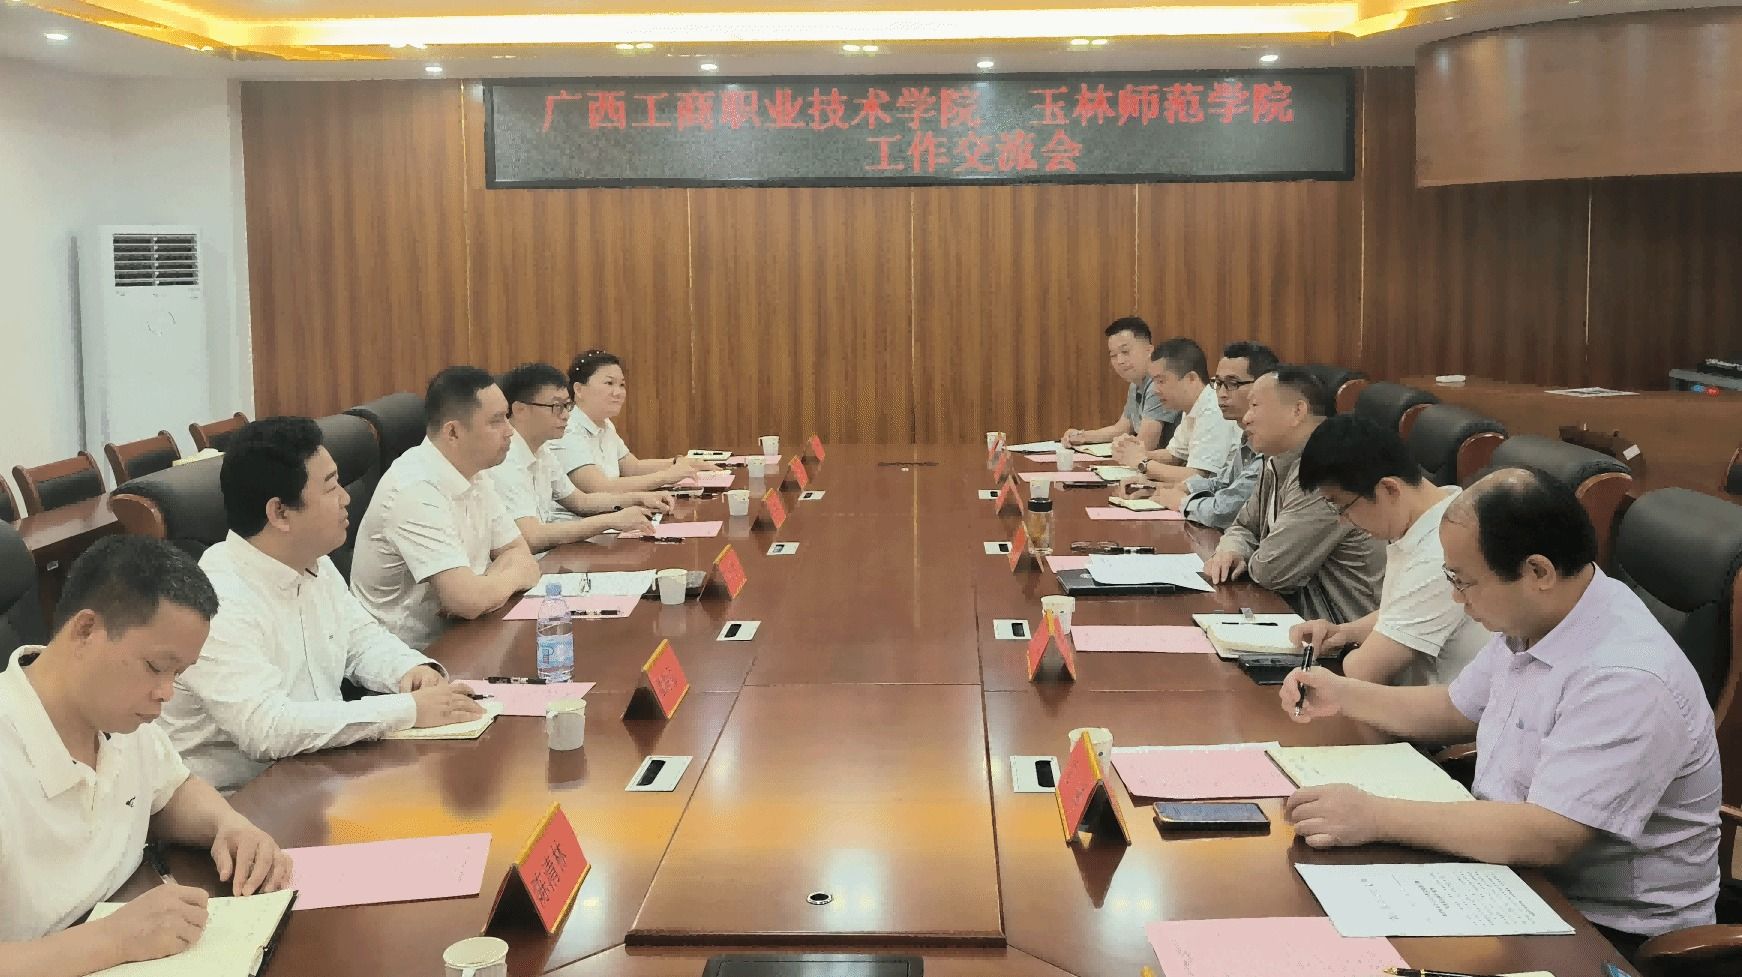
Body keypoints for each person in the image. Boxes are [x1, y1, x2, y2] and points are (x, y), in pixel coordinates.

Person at [1281, 468, 1721, 956]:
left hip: (1603, 929)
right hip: (1510, 874)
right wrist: (1342, 693)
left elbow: (1550, 835)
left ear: (1538, 572)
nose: (1457, 598)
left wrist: (1374, 815)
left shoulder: (1626, 675)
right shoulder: (1541, 616)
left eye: (1464, 581)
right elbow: (1455, 707)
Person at [0, 536, 293, 977]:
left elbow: (171, 789)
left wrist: (228, 825)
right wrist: (112, 940)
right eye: (157, 667)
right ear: (86, 630)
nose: (166, 692)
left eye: (179, 673)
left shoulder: (120, 718)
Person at [157, 418, 487, 793]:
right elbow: (267, 730)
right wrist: (408, 710)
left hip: (318, 773)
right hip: (243, 801)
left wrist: (409, 670)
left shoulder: (313, 561)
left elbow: (361, 640)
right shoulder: (218, 601)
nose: (346, 498)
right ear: (280, 513)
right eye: (331, 487)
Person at [1289, 413, 1492, 685]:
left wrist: (1350, 653)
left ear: (1389, 489)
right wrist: (1345, 632)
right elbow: (1403, 608)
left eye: (1343, 507)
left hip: (1442, 709)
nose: (1343, 521)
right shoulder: (1437, 511)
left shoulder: (1441, 552)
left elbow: (1364, 670)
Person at [350, 367, 541, 649]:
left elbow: (519, 552)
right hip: (412, 656)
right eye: (496, 421)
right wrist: (497, 583)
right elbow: (466, 600)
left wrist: (483, 588)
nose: (510, 431)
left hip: (468, 633)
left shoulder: (475, 471)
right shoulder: (414, 489)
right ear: (453, 431)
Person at [1205, 366, 1385, 623]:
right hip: (1298, 620)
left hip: (1342, 634)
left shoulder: (1327, 471)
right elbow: (1244, 526)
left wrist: (1250, 554)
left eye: (1255, 406)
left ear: (1297, 411)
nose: (1246, 418)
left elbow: (1272, 571)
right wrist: (1231, 551)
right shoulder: (1277, 459)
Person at [491, 362, 673, 551]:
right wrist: (611, 520)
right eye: (556, 406)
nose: (566, 415)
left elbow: (580, 501)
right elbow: (532, 536)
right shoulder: (504, 458)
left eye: (567, 406)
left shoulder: (542, 450)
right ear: (520, 410)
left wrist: (637, 499)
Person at [1121, 341, 1275, 530]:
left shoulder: (1269, 445)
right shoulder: (1246, 438)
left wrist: (1180, 500)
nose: (1221, 393)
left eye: (1232, 384)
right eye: (1218, 383)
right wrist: (1157, 489)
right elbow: (1221, 483)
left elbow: (1224, 510)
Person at [556, 349, 715, 495]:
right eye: (609, 383)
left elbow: (633, 468)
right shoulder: (566, 429)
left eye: (622, 385)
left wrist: (682, 463)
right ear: (579, 389)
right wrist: (667, 476)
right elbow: (600, 487)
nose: (618, 392)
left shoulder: (605, 424)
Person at [1111, 336, 1240, 482]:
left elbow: (1198, 477)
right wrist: (1137, 453)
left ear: (1191, 378)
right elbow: (1174, 455)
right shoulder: (1191, 407)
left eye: (1161, 381)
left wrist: (1142, 462)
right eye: (1154, 382)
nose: (1155, 390)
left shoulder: (1214, 409)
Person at [1060, 317, 1178, 451]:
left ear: (1149, 351)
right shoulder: (1136, 383)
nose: (1120, 361)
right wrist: (1082, 436)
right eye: (1113, 355)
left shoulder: (1157, 384)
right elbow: (1122, 428)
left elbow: (1145, 445)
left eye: (1125, 352)